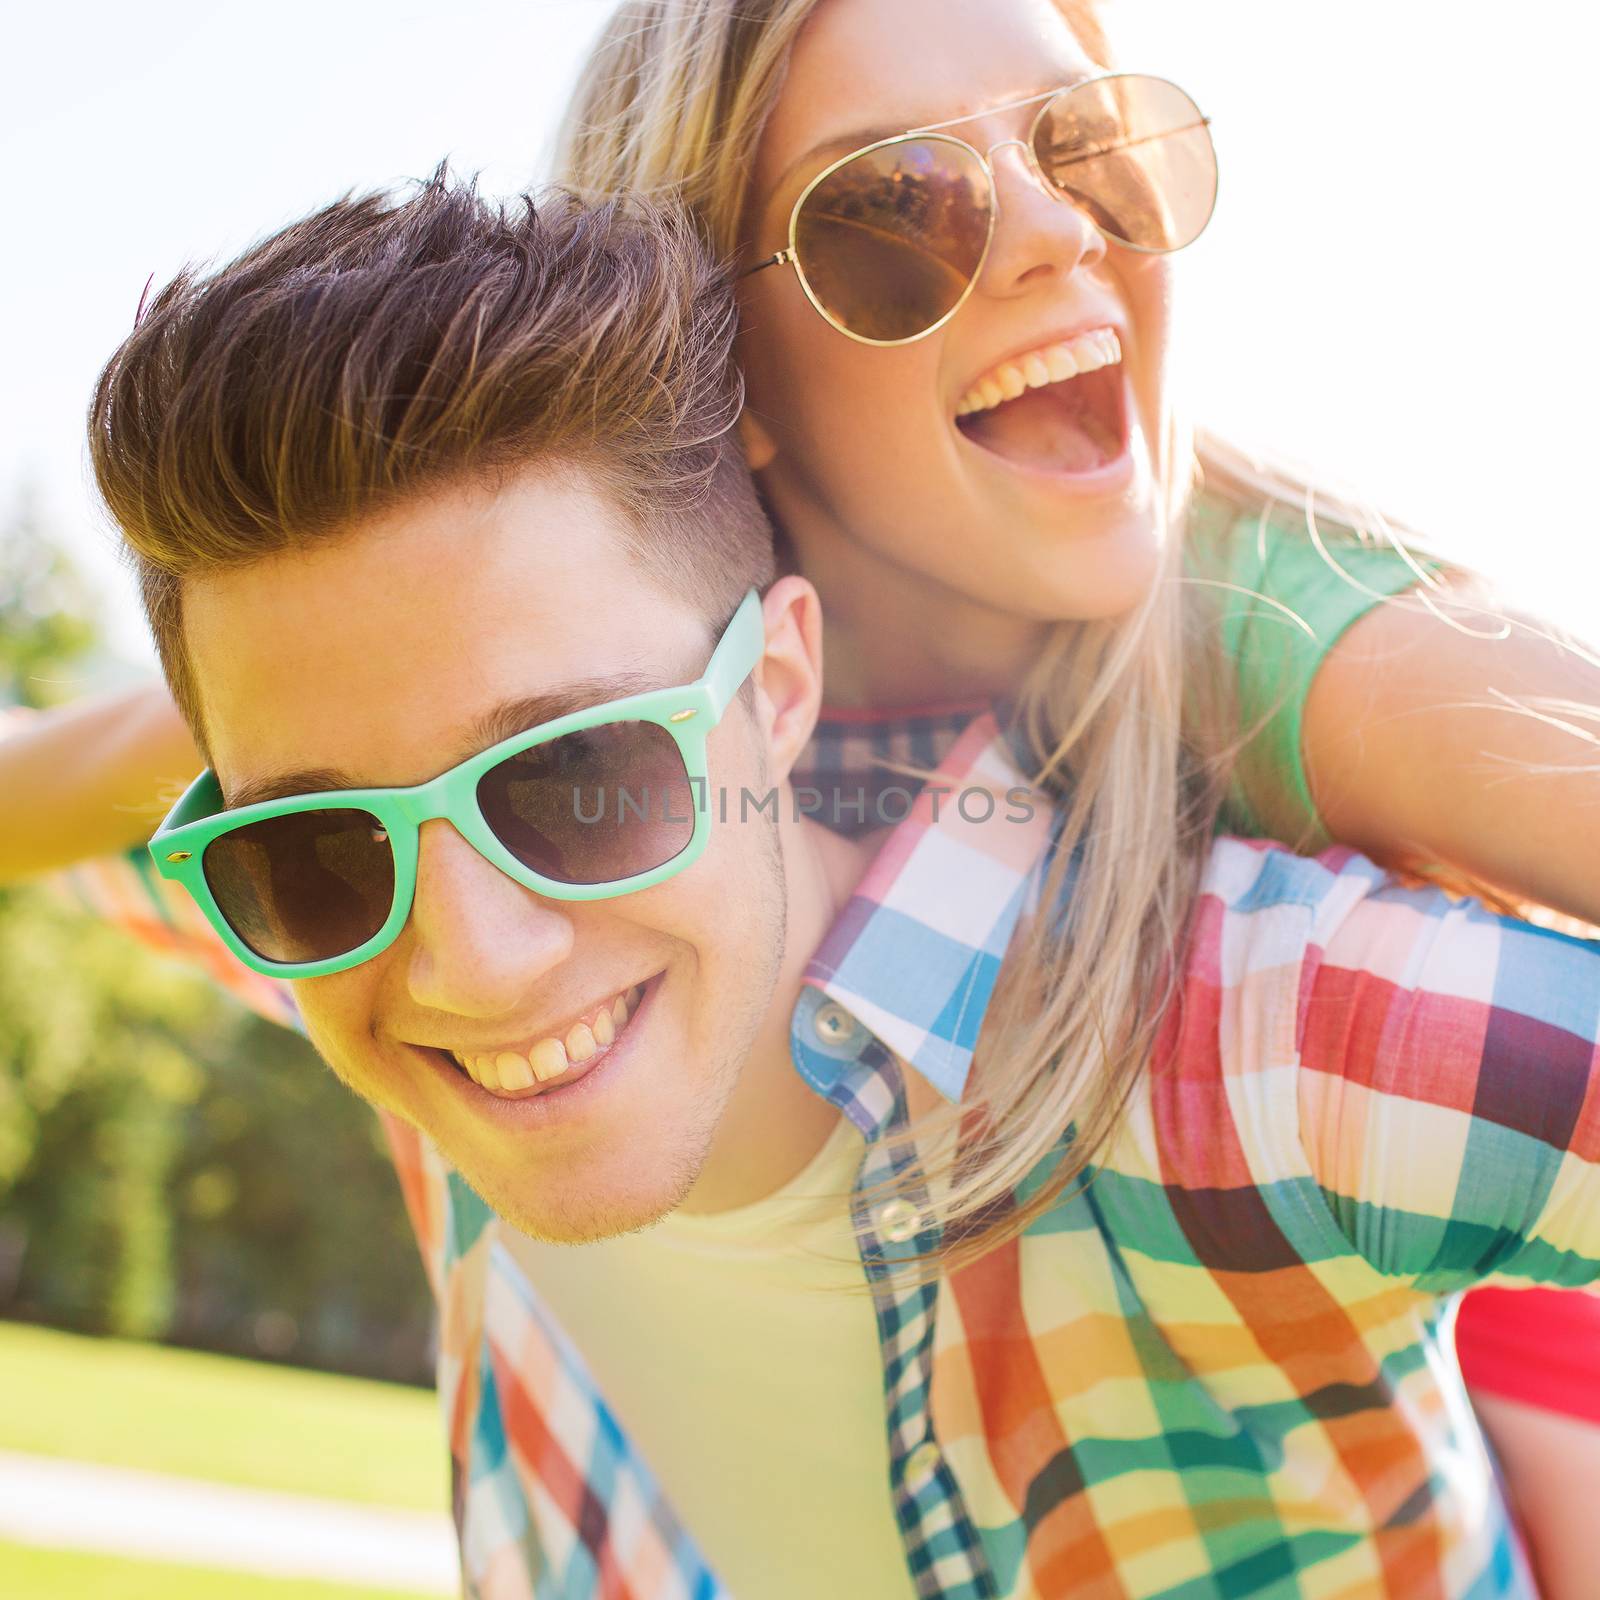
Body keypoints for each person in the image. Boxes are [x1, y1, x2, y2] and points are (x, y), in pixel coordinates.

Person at [6, 0, 1598, 1584]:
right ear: (731, 374)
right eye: (891, 210)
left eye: (575, 781)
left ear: (774, 685)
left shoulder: (1251, 1006)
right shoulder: (362, 893)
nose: (475, 957)